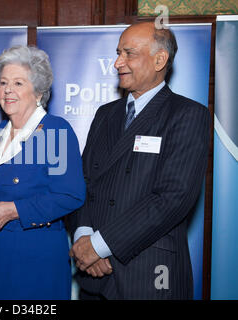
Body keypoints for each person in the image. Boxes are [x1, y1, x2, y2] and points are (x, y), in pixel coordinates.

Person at [69, 22, 210, 299]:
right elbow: (84, 181)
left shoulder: (187, 114)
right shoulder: (105, 114)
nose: (117, 62)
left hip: (149, 275)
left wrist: (99, 245)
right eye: (118, 53)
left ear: (160, 60)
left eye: (128, 53)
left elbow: (172, 198)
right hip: (95, 275)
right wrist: (83, 237)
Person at [0, 45, 86, 300]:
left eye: (18, 83)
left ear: (38, 92)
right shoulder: (0, 133)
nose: (7, 90)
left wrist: (14, 210)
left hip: (32, 266)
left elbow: (71, 195)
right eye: (3, 83)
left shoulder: (55, 130)